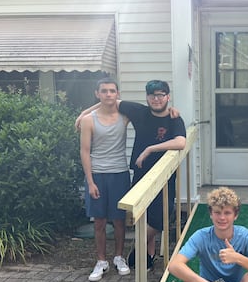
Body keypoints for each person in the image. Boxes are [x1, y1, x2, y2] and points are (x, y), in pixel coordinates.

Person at [78, 80, 186, 272]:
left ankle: (139, 246)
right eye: (152, 95)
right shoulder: (139, 112)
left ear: (168, 97)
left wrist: (150, 149)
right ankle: (148, 257)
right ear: (147, 97)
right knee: (142, 217)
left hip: (164, 176)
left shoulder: (174, 118)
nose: (157, 99)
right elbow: (111, 101)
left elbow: (180, 142)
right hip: (140, 175)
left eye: (161, 95)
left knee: (161, 218)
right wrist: (84, 113)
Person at [80, 78, 132, 281]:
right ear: (97, 93)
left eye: (112, 91)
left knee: (119, 220)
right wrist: (90, 181)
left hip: (119, 173)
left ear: (117, 94)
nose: (108, 94)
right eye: (104, 91)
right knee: (99, 221)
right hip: (97, 174)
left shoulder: (124, 116)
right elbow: (84, 151)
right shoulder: (88, 120)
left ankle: (119, 257)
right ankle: (101, 261)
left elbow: (148, 113)